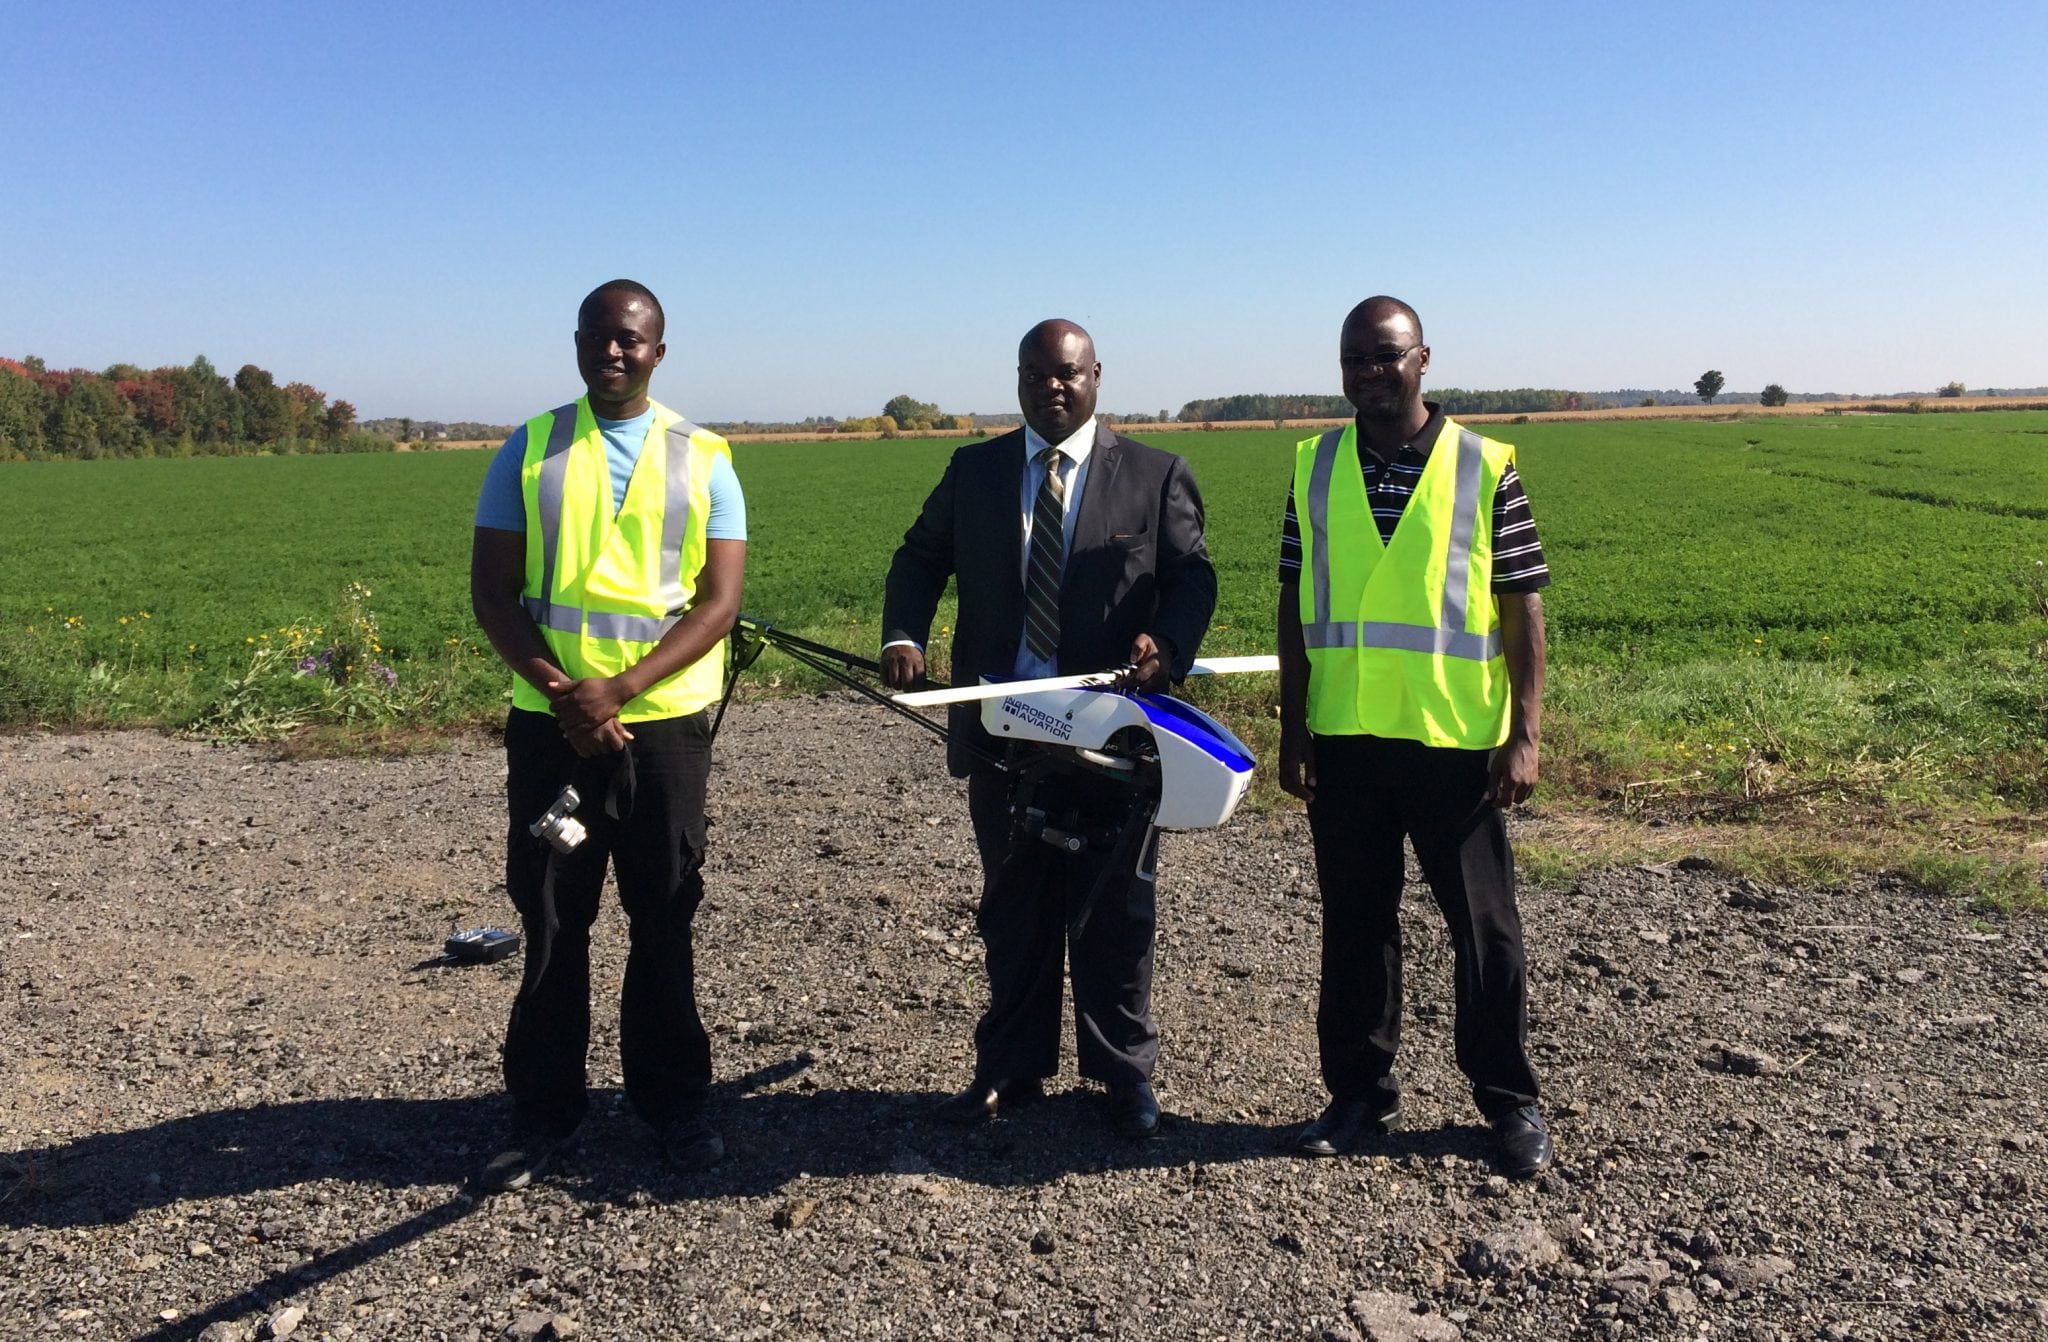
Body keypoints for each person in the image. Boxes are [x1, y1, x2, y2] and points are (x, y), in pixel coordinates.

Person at [881, 319, 1216, 1140]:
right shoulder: (977, 471)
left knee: (1116, 909)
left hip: (1111, 734)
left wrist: (1167, 646)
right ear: (1020, 379)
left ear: (1097, 375)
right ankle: (1010, 1067)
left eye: (1068, 373)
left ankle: (1124, 1078)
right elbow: (919, 559)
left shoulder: (1154, 474)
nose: (1052, 387)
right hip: (1003, 731)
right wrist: (904, 635)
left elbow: (1192, 579)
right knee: (1014, 907)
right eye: (1037, 374)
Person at [468, 279, 746, 1190]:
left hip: (663, 731)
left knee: (664, 916)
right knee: (551, 919)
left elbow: (720, 603)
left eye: (633, 340)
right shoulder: (529, 447)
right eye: (600, 338)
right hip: (553, 730)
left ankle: (673, 1107)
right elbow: (493, 594)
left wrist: (620, 689)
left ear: (659, 352)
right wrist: (562, 692)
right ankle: (544, 1114)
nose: (615, 352)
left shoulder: (706, 457)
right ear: (579, 343)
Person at [1276, 296, 1555, 1178]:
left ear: (1423, 358)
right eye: (1354, 357)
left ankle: (1508, 1103)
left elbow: (1523, 605)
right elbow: (1293, 601)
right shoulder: (1314, 466)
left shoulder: (1482, 463)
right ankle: (1359, 1096)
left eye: (1386, 355)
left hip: (1453, 744)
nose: (1369, 370)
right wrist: (1297, 726)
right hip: (1348, 738)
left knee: (1485, 931)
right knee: (1356, 928)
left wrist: (1525, 733)